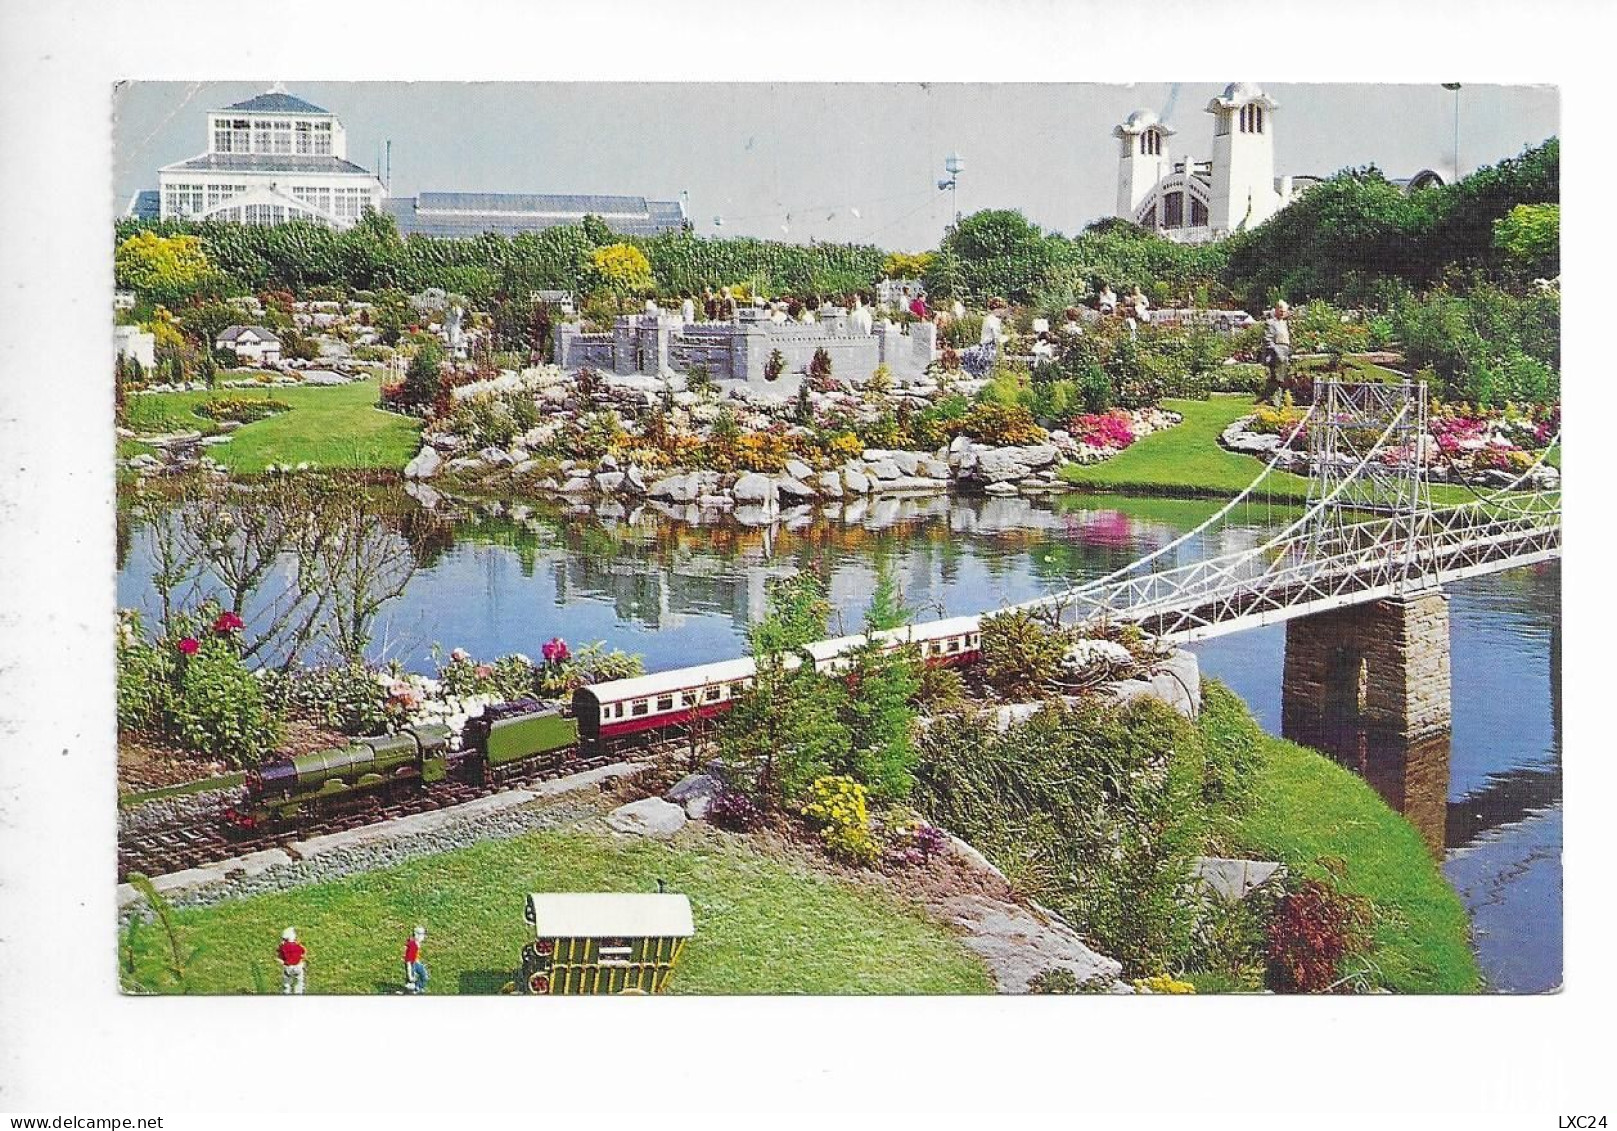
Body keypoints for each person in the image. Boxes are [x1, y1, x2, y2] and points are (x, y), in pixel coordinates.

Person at [1261, 300, 1292, 400]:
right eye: (1281, 311)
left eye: (1284, 311)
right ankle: (1273, 400)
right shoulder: (1271, 323)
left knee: (1283, 379)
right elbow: (1267, 340)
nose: (1282, 313)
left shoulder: (1285, 323)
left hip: (1285, 353)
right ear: (1276, 310)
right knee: (1276, 379)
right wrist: (1277, 351)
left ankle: (1278, 400)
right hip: (1275, 355)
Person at [278, 927, 306, 995]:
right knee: (299, 981)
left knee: (287, 982)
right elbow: (303, 952)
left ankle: (286, 993)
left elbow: (280, 955)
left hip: (288, 967)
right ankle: (299, 993)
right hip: (298, 966)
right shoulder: (298, 946)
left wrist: (282, 961)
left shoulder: (283, 947)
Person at [403, 926, 428, 994]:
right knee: (411, 984)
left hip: (415, 962)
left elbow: (415, 956)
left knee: (424, 975)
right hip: (411, 964)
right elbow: (408, 962)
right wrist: (410, 975)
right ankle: (410, 991)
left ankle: (418, 987)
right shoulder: (412, 945)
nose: (423, 937)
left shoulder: (416, 943)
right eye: (422, 934)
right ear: (416, 935)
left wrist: (418, 962)